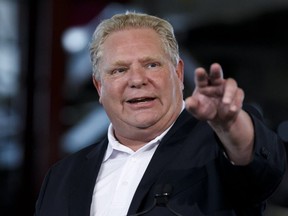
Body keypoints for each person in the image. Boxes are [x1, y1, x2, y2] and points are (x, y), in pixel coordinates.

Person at [35, 12, 286, 216]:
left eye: (151, 65)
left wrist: (229, 124)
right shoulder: (61, 177)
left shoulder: (216, 145)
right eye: (119, 70)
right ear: (100, 87)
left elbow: (257, 161)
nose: (137, 79)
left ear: (178, 74)